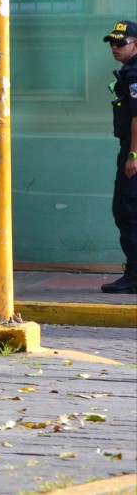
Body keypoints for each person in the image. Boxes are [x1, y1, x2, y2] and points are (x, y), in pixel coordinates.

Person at [101, 20, 137, 294]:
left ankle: (134, 275)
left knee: (126, 210)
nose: (115, 47)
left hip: (133, 151)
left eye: (121, 42)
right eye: (112, 42)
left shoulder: (134, 74)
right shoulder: (128, 72)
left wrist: (133, 155)